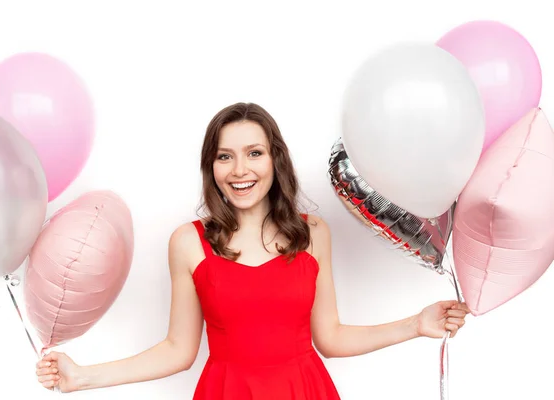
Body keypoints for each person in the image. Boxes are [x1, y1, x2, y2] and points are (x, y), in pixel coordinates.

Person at [35, 102, 470, 399]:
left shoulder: (313, 233)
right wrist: (83, 377)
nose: (240, 170)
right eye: (224, 157)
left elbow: (332, 338)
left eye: (254, 153)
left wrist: (416, 323)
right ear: (211, 167)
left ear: (274, 160)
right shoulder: (188, 243)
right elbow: (177, 350)